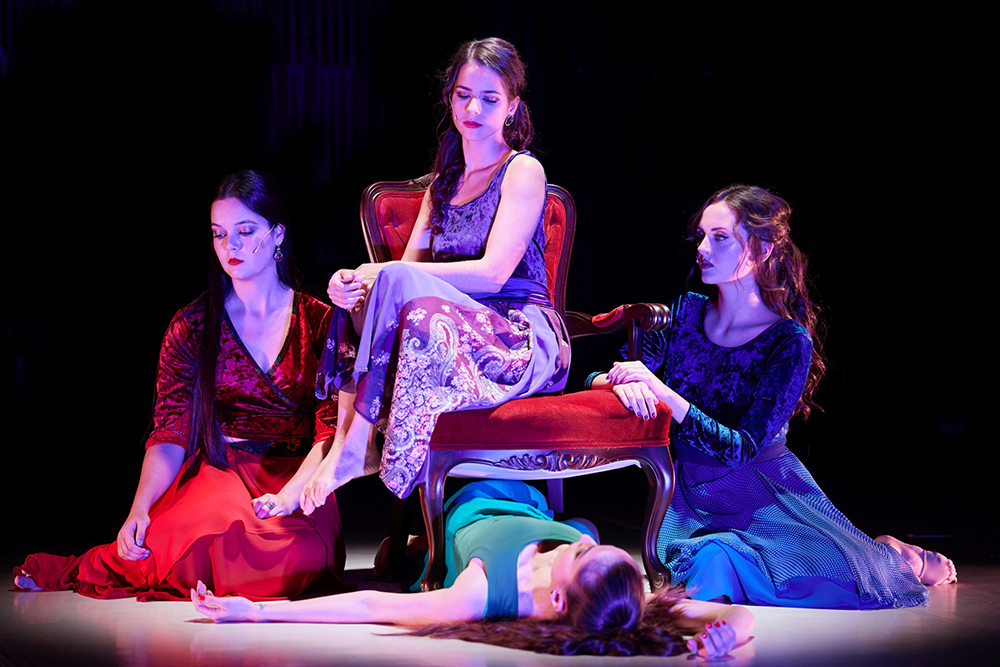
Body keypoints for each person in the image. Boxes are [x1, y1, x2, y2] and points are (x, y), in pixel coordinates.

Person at [590, 184, 956, 609]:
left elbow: (740, 449)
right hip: (691, 492)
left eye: (720, 237)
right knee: (709, 566)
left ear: (762, 249)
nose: (702, 249)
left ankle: (894, 555)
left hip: (762, 490)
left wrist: (661, 392)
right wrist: (617, 380)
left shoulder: (787, 341)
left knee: (845, 577)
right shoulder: (686, 311)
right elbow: (606, 375)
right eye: (702, 236)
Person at [14, 170, 346, 602]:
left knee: (296, 555)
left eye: (246, 232)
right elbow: (170, 430)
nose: (231, 246)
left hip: (298, 474)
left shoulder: (320, 321)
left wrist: (289, 495)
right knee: (175, 543)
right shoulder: (193, 325)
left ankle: (236, 564)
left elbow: (330, 430)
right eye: (219, 234)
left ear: (277, 234)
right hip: (225, 470)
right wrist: (139, 508)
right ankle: (95, 564)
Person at [303, 37, 570, 509]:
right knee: (362, 291)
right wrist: (357, 283)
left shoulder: (521, 170)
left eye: (489, 99)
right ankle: (350, 440)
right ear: (450, 99)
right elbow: (405, 274)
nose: (473, 108)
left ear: (512, 107)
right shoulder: (444, 182)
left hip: (516, 333)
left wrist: (385, 274)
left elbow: (492, 276)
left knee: (404, 293)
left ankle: (361, 443)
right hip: (454, 324)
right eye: (464, 95)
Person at [193, 480, 754, 658]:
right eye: (596, 548)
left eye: (582, 554)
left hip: (469, 497)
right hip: (531, 502)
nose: (583, 546)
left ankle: (417, 548)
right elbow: (735, 616)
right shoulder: (616, 595)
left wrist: (257, 613)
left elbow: (369, 605)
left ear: (559, 602)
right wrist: (726, 638)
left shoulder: (478, 594)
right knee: (580, 523)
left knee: (390, 561)